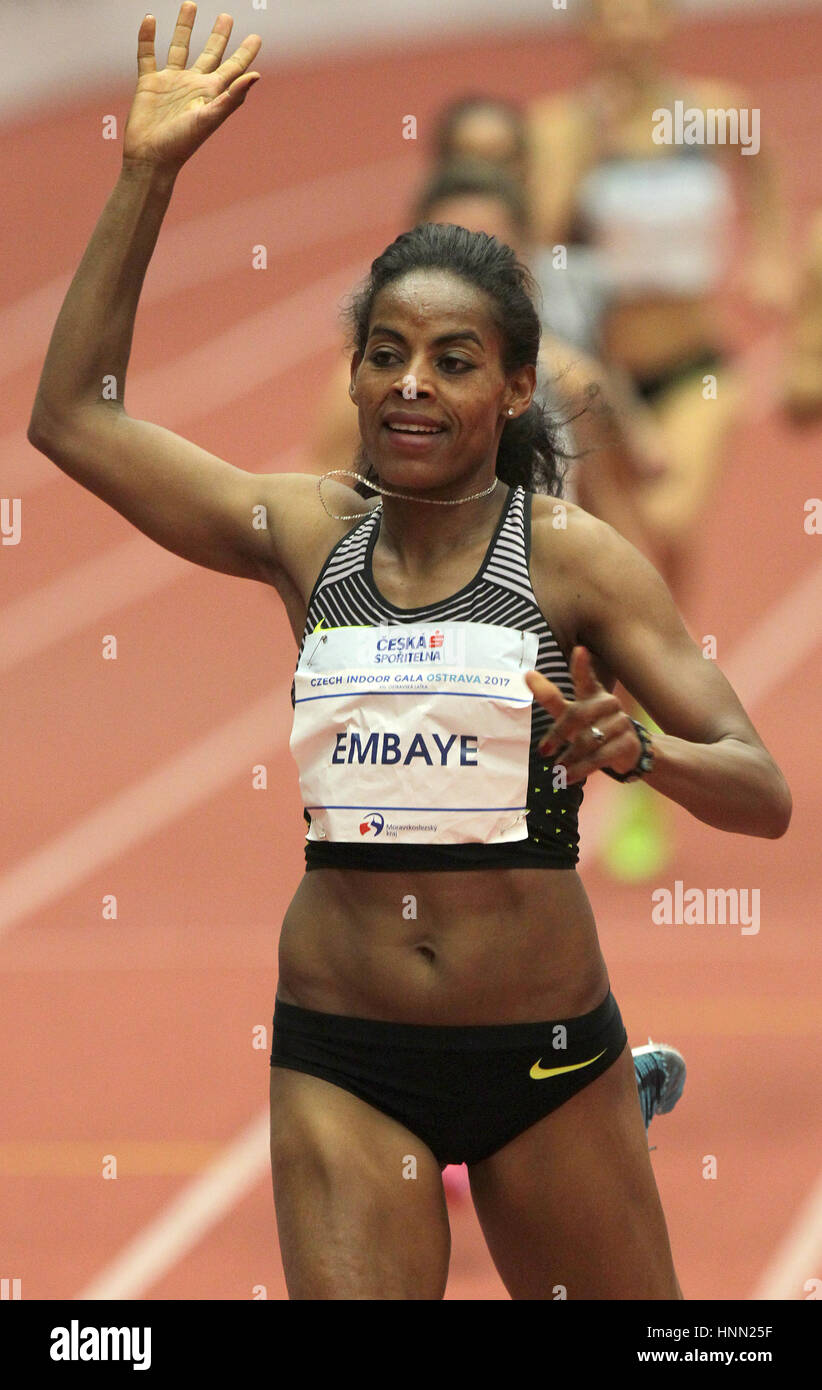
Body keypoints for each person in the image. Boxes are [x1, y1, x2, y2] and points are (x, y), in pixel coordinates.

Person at [28, 5, 791, 1301]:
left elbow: (758, 790)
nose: (410, 385)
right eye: (383, 355)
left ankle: (622, 1097)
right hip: (346, 1050)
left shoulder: (571, 559)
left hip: (542, 1057)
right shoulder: (304, 528)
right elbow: (72, 421)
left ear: (514, 388)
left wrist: (641, 749)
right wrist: (145, 174)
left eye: (450, 360)